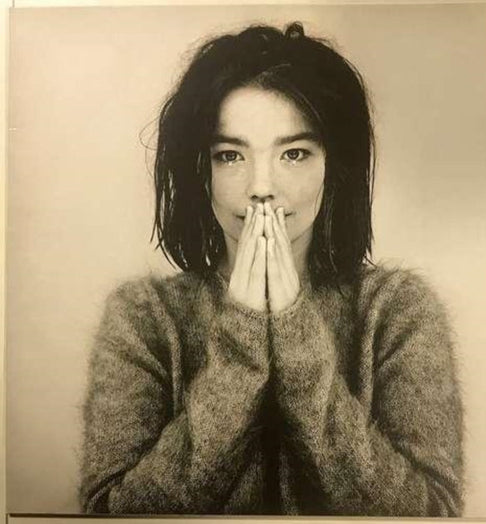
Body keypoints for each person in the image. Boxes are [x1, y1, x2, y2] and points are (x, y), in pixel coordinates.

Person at [79, 22, 464, 516]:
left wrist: (296, 335)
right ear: (200, 170)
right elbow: (110, 514)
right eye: (230, 155)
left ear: (333, 167)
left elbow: (434, 515)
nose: (261, 186)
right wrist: (240, 348)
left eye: (294, 154)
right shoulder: (143, 318)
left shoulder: (398, 312)